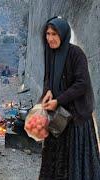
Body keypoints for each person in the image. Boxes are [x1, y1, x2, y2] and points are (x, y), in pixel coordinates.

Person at [39, 17, 100, 179]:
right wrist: (48, 92)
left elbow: (82, 84)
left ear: (64, 34)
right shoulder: (50, 53)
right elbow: (48, 78)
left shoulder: (76, 54)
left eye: (54, 34)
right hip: (58, 117)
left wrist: (58, 100)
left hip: (75, 118)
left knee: (74, 164)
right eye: (48, 34)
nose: (50, 38)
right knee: (55, 161)